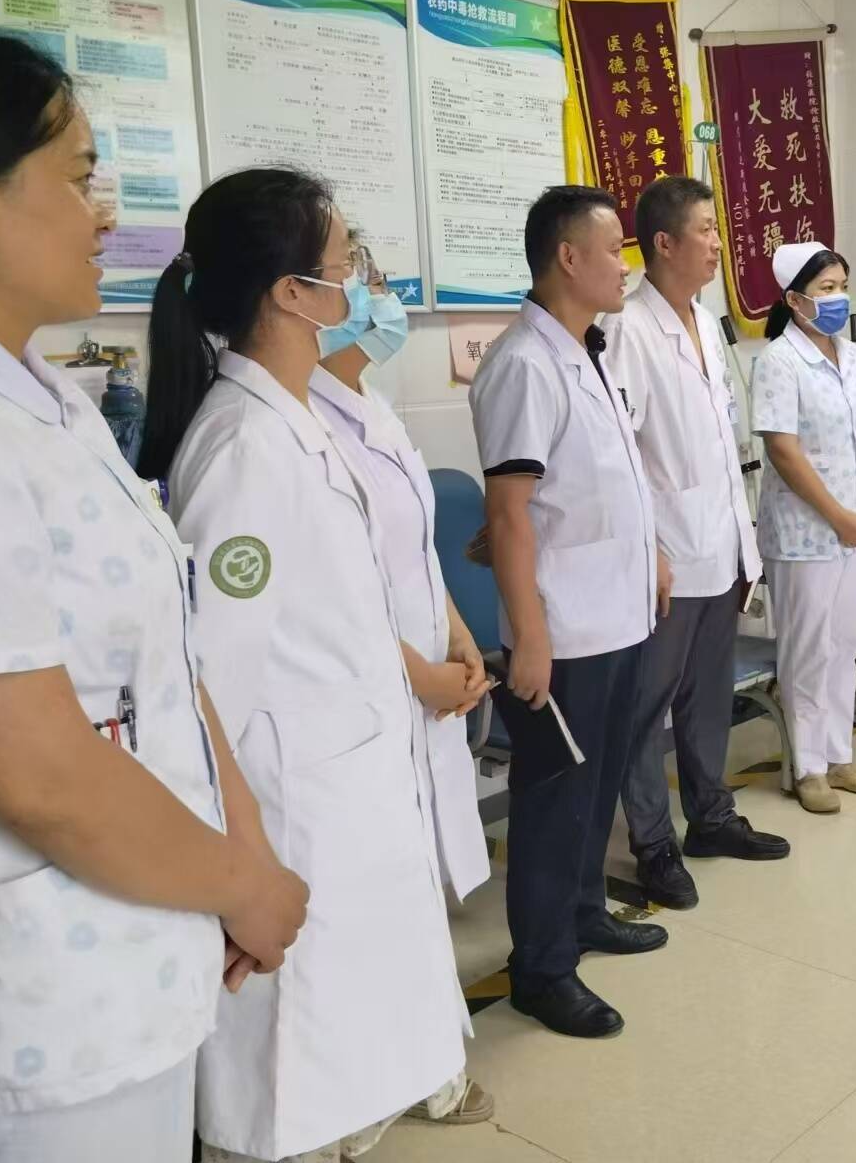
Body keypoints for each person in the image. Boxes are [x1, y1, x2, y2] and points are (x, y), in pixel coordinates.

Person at [0, 10, 307, 1163]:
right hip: (42, 1008)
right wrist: (240, 880)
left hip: (139, 938)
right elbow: (34, 769)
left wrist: (241, 854)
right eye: (78, 178)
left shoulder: (42, 399)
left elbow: (161, 656)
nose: (104, 213)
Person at [136, 169, 466, 1160]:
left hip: (349, 798)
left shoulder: (299, 417)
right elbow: (209, 689)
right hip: (294, 820)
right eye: (344, 262)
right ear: (292, 292)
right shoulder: (244, 445)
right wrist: (235, 867)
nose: (359, 281)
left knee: (340, 1072)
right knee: (282, 1099)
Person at [469, 185, 664, 1039]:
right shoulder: (523, 364)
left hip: (617, 613)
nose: (625, 265)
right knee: (555, 803)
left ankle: (585, 912)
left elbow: (609, 484)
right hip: (567, 627)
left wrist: (652, 558)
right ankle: (542, 970)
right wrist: (530, 636)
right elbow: (510, 514)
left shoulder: (587, 351)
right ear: (568, 257)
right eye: (615, 249)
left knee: (597, 788)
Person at [309, 249, 494, 1126]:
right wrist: (421, 674)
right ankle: (380, 1085)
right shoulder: (297, 424)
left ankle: (428, 1059)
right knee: (375, 895)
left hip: (426, 680)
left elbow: (417, 547)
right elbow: (326, 592)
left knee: (417, 885)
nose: (381, 299)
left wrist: (459, 636)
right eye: (362, 277)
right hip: (382, 692)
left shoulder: (370, 406)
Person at [604, 176, 789, 910]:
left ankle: (711, 817)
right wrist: (649, 548)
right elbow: (621, 453)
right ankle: (653, 842)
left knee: (708, 696)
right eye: (706, 230)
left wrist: (746, 546)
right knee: (646, 706)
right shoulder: (628, 329)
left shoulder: (708, 324)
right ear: (664, 243)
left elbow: (721, 447)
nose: (718, 244)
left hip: (721, 543)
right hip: (668, 555)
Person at [752, 243, 856, 814]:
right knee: (808, 647)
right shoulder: (778, 361)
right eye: (826, 288)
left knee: (844, 641)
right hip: (805, 533)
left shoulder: (853, 356)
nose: (838, 298)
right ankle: (807, 767)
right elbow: (783, 450)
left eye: (842, 285)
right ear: (794, 300)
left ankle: (838, 755)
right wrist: (838, 516)